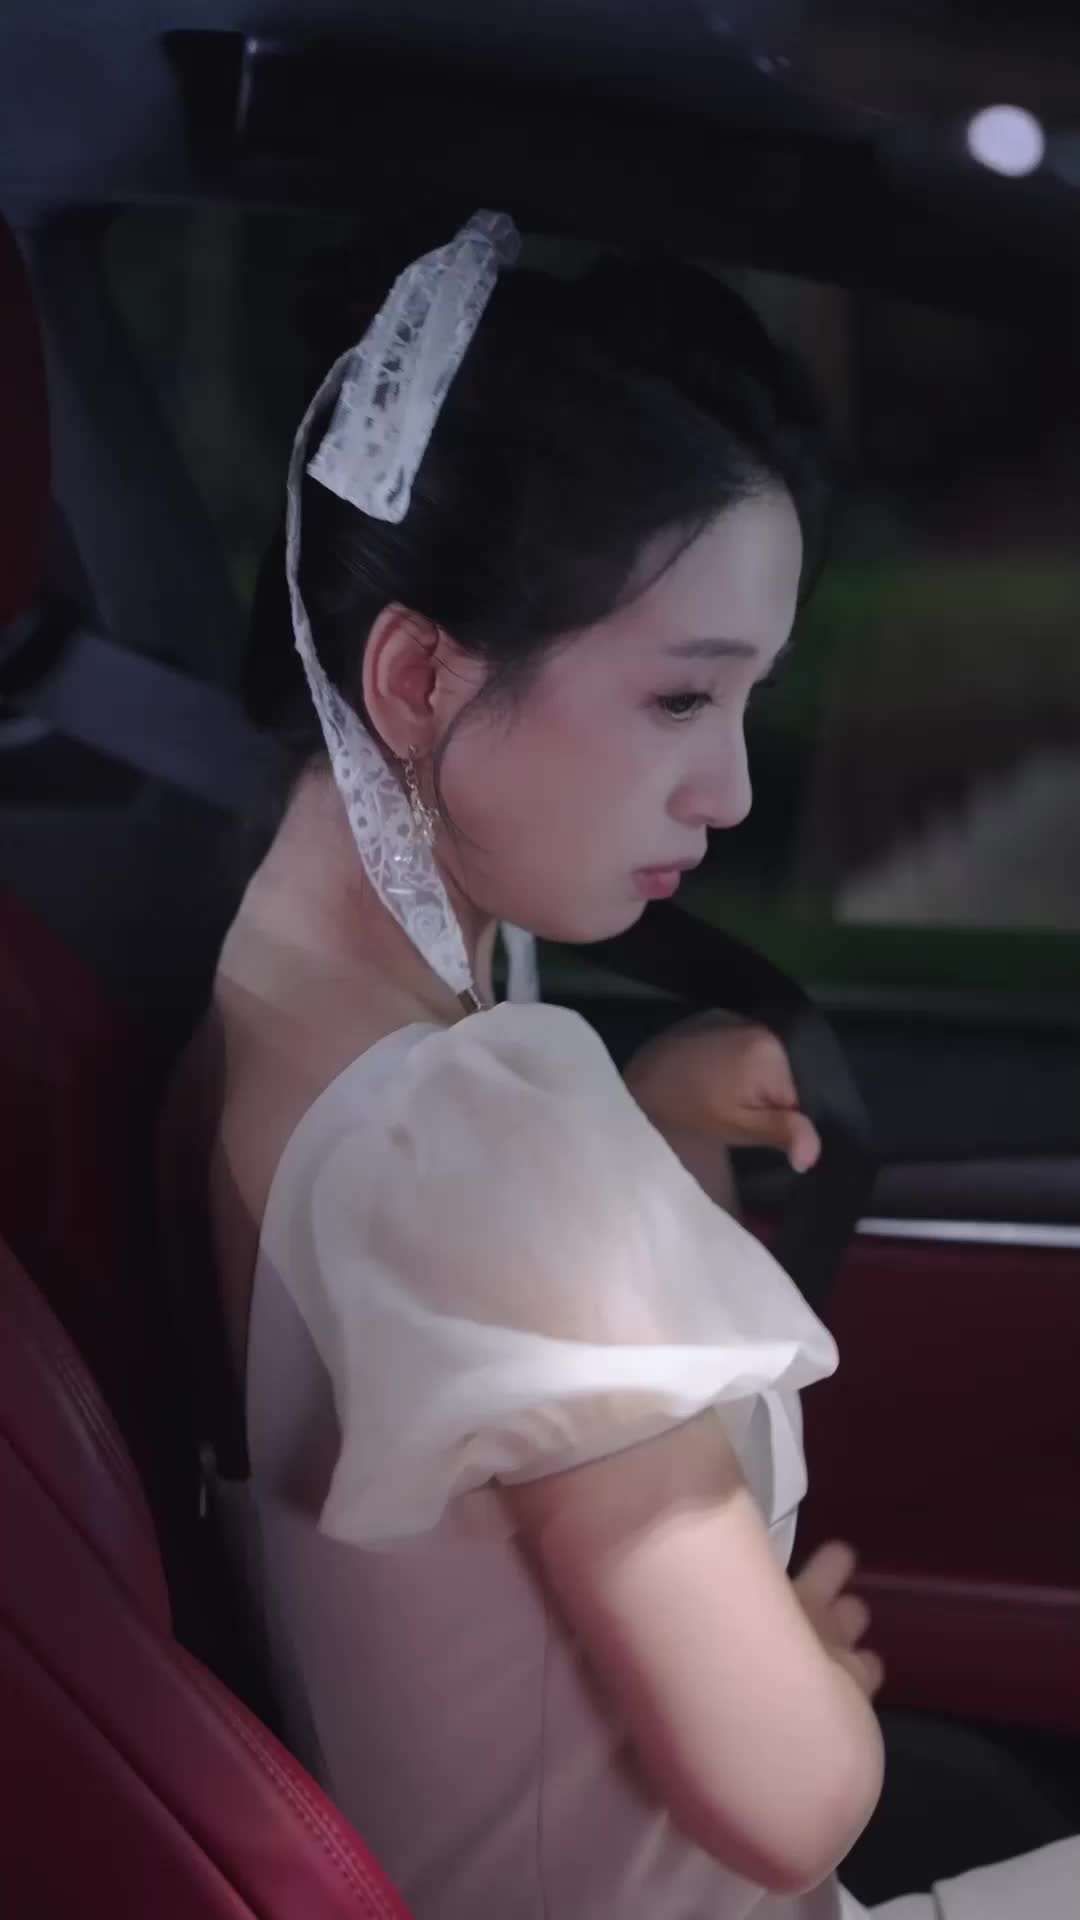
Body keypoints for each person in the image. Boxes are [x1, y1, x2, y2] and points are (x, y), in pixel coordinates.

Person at [167, 213, 1079, 1918]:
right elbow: (792, 1799)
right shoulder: (483, 1138)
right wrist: (807, 1669)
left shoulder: (252, 1023)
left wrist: (641, 1124)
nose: (730, 793)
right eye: (680, 701)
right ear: (419, 674)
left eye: (748, 703)